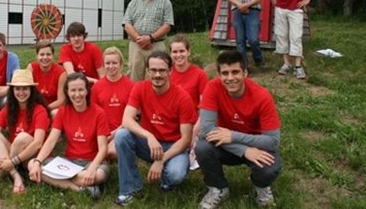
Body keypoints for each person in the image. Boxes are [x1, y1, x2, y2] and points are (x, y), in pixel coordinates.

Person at [196, 51, 281, 209]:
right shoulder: (212, 87)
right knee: (202, 147)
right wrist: (244, 150)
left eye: (235, 72)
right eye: (225, 73)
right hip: (225, 144)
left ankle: (262, 188)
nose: (230, 78)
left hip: (257, 145)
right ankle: (218, 188)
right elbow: (206, 130)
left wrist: (233, 136)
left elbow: (273, 141)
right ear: (219, 75)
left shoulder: (262, 96)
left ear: (245, 73)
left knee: (269, 168)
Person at [114, 51, 196, 206]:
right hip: (150, 144)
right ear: (147, 71)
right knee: (122, 135)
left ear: (170, 71)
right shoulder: (139, 88)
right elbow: (126, 120)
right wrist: (149, 136)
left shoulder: (183, 97)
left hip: (174, 146)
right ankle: (130, 189)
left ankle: (167, 179)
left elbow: (186, 140)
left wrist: (161, 160)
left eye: (162, 70)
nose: (157, 75)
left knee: (175, 175)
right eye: (153, 70)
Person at [28, 73, 110, 200]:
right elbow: (51, 141)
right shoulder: (63, 111)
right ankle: (79, 190)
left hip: (93, 162)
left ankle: (63, 180)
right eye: (73, 90)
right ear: (67, 91)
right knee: (31, 164)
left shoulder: (99, 113)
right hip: (69, 162)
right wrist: (38, 162)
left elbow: (103, 148)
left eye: (81, 89)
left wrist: (91, 169)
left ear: (87, 90)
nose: (77, 95)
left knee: (98, 175)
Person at [0, 69, 50, 195]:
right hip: (13, 152)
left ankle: (1, 172)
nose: (21, 92)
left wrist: (12, 161)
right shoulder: (9, 108)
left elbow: (38, 143)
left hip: (31, 156)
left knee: (22, 137)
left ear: (31, 90)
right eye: (17, 89)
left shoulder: (39, 110)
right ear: (12, 91)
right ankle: (16, 176)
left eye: (25, 89)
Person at [123, 0, 174, 81]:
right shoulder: (133, 3)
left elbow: (168, 25)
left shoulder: (165, 2)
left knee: (160, 77)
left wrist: (150, 38)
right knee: (134, 78)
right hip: (136, 46)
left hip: (156, 44)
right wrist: (139, 40)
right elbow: (127, 24)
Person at [169, 34, 209, 170]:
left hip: (193, 123)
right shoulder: (166, 74)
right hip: (172, 121)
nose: (178, 55)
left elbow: (205, 108)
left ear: (188, 52)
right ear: (170, 53)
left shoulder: (199, 75)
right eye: (175, 51)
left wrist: (193, 132)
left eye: (182, 51)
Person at [91, 46, 134, 159]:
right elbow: (93, 114)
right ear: (103, 65)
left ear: (120, 64)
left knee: (112, 152)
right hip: (102, 131)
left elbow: (132, 117)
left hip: (122, 130)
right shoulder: (97, 86)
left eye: (114, 63)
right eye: (108, 63)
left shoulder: (131, 86)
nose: (111, 66)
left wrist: (113, 134)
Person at [227, 0, 267, 71]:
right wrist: (240, 5)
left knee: (253, 39)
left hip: (253, 11)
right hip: (238, 11)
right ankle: (244, 67)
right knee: (240, 41)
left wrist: (246, 5)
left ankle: (258, 59)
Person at [26, 40, 66, 115]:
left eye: (48, 54)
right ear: (37, 56)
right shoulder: (31, 68)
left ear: (53, 56)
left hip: (52, 108)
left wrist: (45, 109)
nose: (45, 57)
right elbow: (26, 93)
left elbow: (61, 100)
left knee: (55, 113)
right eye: (42, 54)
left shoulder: (61, 72)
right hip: (34, 107)